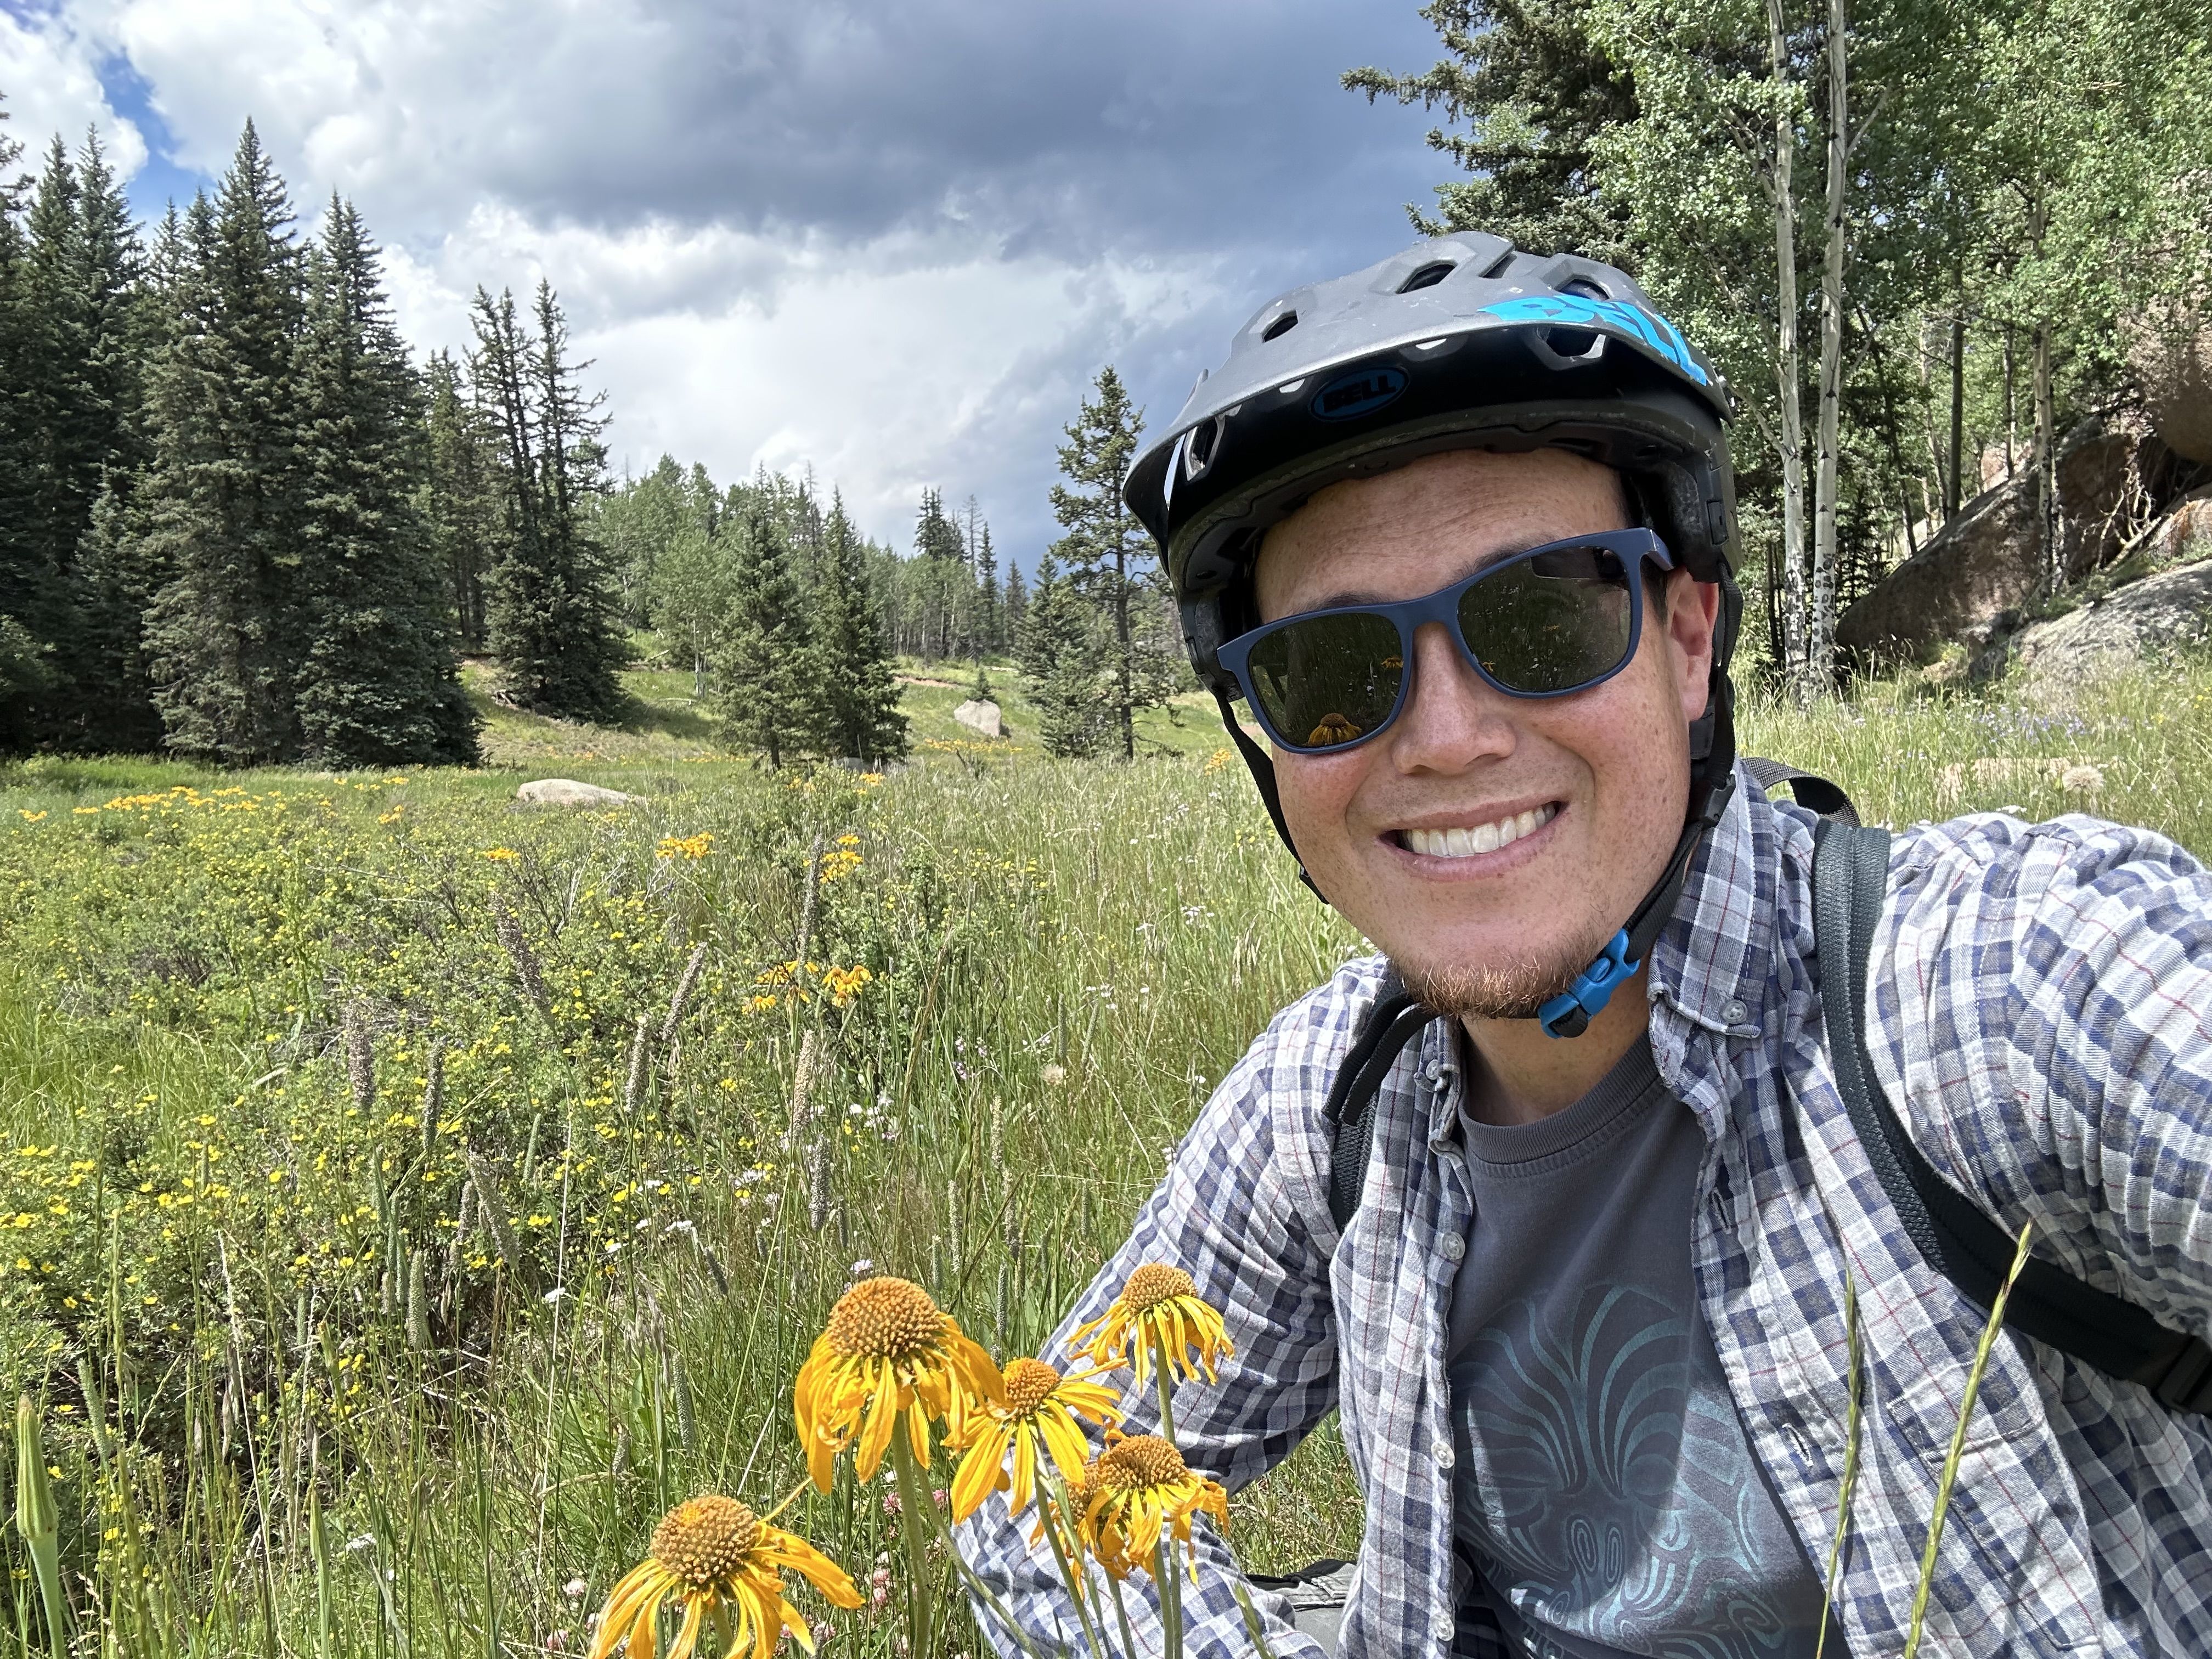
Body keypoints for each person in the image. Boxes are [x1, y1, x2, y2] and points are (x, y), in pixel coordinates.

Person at [955, 231, 2212, 1657]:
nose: (1446, 737)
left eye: (1541, 613)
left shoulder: (1979, 985)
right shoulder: (1328, 1110)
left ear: (1687, 640)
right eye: (1331, 671)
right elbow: (1028, 1486)